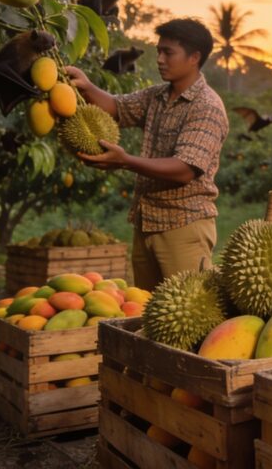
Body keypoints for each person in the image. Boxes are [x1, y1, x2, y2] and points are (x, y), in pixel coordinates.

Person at [65, 18, 229, 291]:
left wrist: (125, 160)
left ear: (194, 58)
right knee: (145, 312)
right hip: (147, 221)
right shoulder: (158, 96)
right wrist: (87, 86)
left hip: (184, 225)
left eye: (169, 52)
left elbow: (185, 169)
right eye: (159, 52)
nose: (160, 59)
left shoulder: (207, 107)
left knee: (188, 315)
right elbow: (118, 108)